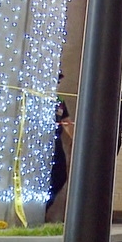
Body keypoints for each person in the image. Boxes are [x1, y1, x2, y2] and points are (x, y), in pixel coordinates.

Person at [47, 73, 70, 214]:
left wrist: (74, 139)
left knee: (60, 176)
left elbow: (66, 121)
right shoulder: (42, 97)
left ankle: (46, 205)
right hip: (43, 140)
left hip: (56, 141)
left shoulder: (59, 101)